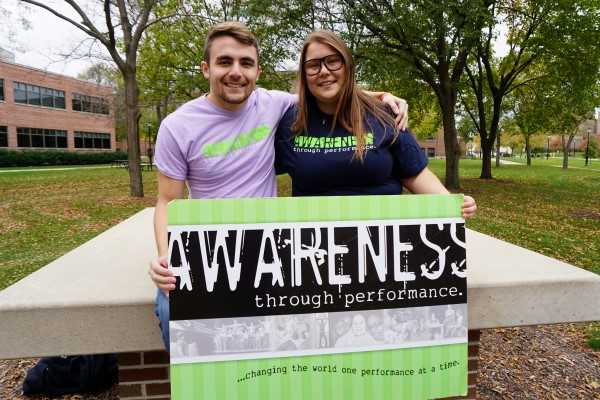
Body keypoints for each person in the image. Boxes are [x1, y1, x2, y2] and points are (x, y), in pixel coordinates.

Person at [148, 22, 409, 351]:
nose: (236, 72)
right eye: (224, 62)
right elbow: (166, 202)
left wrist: (383, 97)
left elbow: (328, 91)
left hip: (268, 246)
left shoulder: (274, 104)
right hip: (208, 247)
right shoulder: (177, 126)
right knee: (172, 309)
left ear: (258, 71)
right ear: (206, 69)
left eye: (246, 63)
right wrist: (164, 255)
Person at [274, 30, 477, 217]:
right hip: (314, 245)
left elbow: (414, 173)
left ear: (348, 67)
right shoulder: (289, 122)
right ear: (304, 73)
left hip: (381, 242)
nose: (324, 71)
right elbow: (257, 169)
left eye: (333, 61)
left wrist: (451, 203)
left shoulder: (385, 115)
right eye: (313, 65)